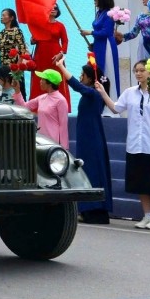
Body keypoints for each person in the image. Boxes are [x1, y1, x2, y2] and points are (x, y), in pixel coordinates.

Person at [96, 60, 150, 230]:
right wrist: (103, 93)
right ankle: (147, 215)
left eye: (142, 70)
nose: (138, 74)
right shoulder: (129, 93)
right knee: (140, 183)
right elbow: (116, 109)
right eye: (136, 71)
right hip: (135, 145)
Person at [53, 53, 112, 224]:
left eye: (83, 75)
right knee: (88, 170)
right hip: (87, 136)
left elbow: (76, 85)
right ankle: (88, 210)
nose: (80, 78)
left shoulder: (94, 94)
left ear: (90, 78)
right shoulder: (91, 94)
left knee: (92, 170)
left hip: (91, 138)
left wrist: (61, 66)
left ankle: (94, 209)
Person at [81, 0, 120, 96]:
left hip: (106, 46)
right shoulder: (99, 13)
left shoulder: (109, 14)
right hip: (98, 45)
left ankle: (110, 98)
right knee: (96, 69)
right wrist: (93, 44)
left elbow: (106, 32)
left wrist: (90, 32)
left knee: (106, 70)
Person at [32, 4, 71, 107]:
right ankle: (37, 106)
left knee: (56, 80)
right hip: (41, 55)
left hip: (55, 56)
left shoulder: (60, 25)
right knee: (39, 79)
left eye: (56, 8)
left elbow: (65, 41)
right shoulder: (40, 24)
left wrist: (61, 53)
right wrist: (33, 39)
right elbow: (34, 39)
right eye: (51, 8)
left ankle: (59, 105)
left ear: (58, 11)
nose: (53, 10)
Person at [21, 68, 69, 148]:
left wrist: (64, 147)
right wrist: (17, 92)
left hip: (53, 142)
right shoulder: (42, 98)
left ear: (49, 83)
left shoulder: (61, 100)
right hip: (41, 140)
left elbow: (63, 125)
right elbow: (24, 107)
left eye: (42, 79)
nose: (40, 81)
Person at [0, 8, 29, 98]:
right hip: (3, 67)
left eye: (4, 15)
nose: (1, 17)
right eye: (1, 15)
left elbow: (22, 50)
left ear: (11, 18)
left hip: (14, 67)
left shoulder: (16, 31)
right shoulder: (1, 33)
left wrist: (18, 67)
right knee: (3, 90)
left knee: (18, 90)